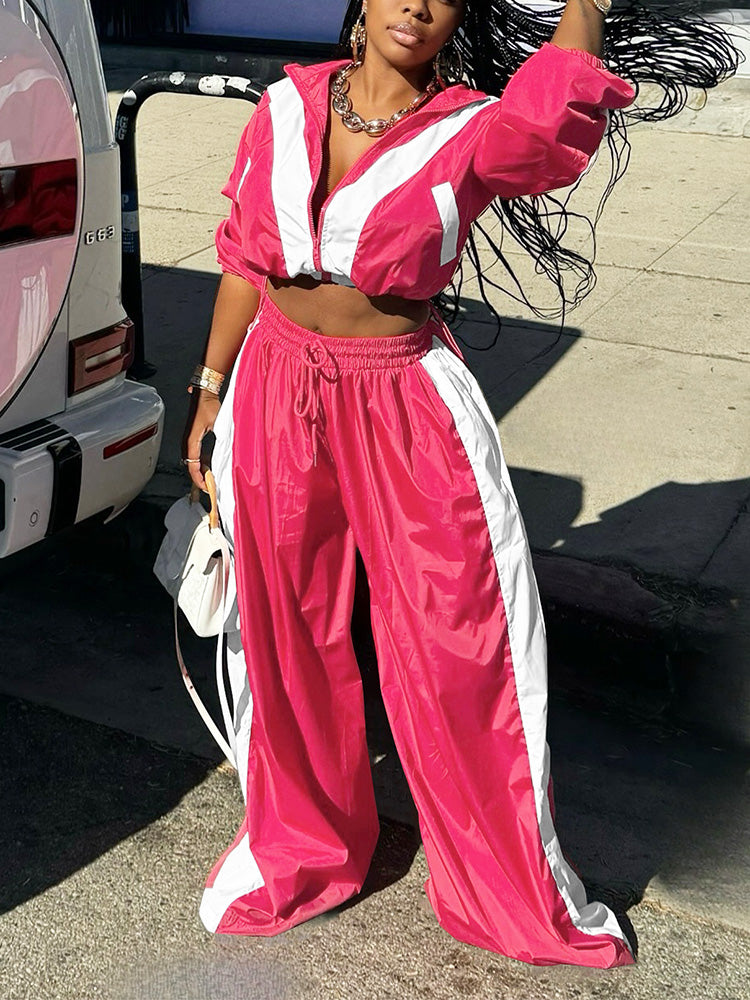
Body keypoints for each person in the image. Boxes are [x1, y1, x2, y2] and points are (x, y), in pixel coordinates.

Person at [180, 0, 739, 968]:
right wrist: (210, 388)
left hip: (405, 402)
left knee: (462, 643)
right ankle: (305, 848)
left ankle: (502, 887)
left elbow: (553, 121)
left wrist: (587, 4)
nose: (420, 6)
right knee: (285, 631)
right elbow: (244, 257)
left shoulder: (473, 129)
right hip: (274, 382)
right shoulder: (282, 107)